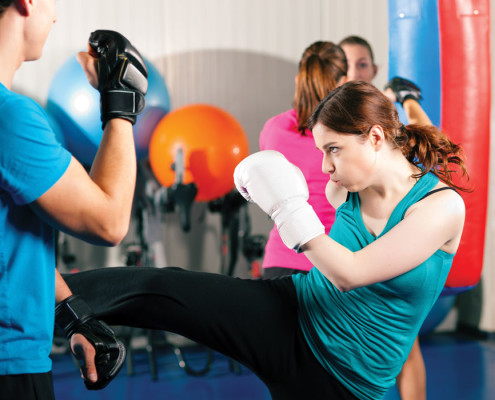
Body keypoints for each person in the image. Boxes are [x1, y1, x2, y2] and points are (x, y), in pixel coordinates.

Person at [63, 80, 468, 400]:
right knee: (164, 288)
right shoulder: (343, 186)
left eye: (333, 150)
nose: (325, 165)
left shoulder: (441, 207)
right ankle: (48, 296)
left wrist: (287, 210)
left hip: (346, 383)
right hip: (291, 311)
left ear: (376, 137)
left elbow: (352, 273)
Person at [0, 1, 148, 398]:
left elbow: (8, 240)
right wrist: (120, 104)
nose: (54, 16)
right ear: (25, 3)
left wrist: (71, 314)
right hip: (8, 367)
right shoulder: (10, 118)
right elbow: (109, 223)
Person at [340, 34, 434, 400]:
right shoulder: (331, 115)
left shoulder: (383, 118)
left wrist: (406, 100)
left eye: (362, 64)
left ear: (374, 69)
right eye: (346, 65)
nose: (353, 72)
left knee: (405, 345)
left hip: (388, 228)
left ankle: (407, 94)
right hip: (347, 231)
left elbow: (427, 144)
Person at [259, 41, 345, 279]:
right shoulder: (347, 136)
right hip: (331, 263)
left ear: (299, 80)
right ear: (343, 83)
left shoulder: (273, 129)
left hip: (278, 261)